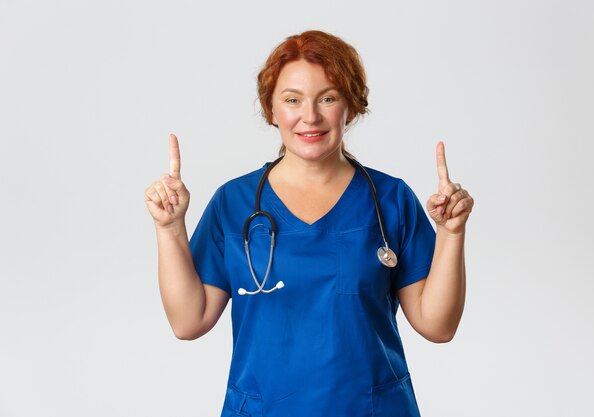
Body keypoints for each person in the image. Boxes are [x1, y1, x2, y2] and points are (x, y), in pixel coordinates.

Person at [144, 30, 473, 417]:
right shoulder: (234, 204)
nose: (310, 116)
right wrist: (169, 229)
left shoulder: (391, 200)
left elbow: (438, 326)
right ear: (271, 110)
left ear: (351, 106)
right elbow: (188, 321)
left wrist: (452, 233)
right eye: (292, 100)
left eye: (328, 98)